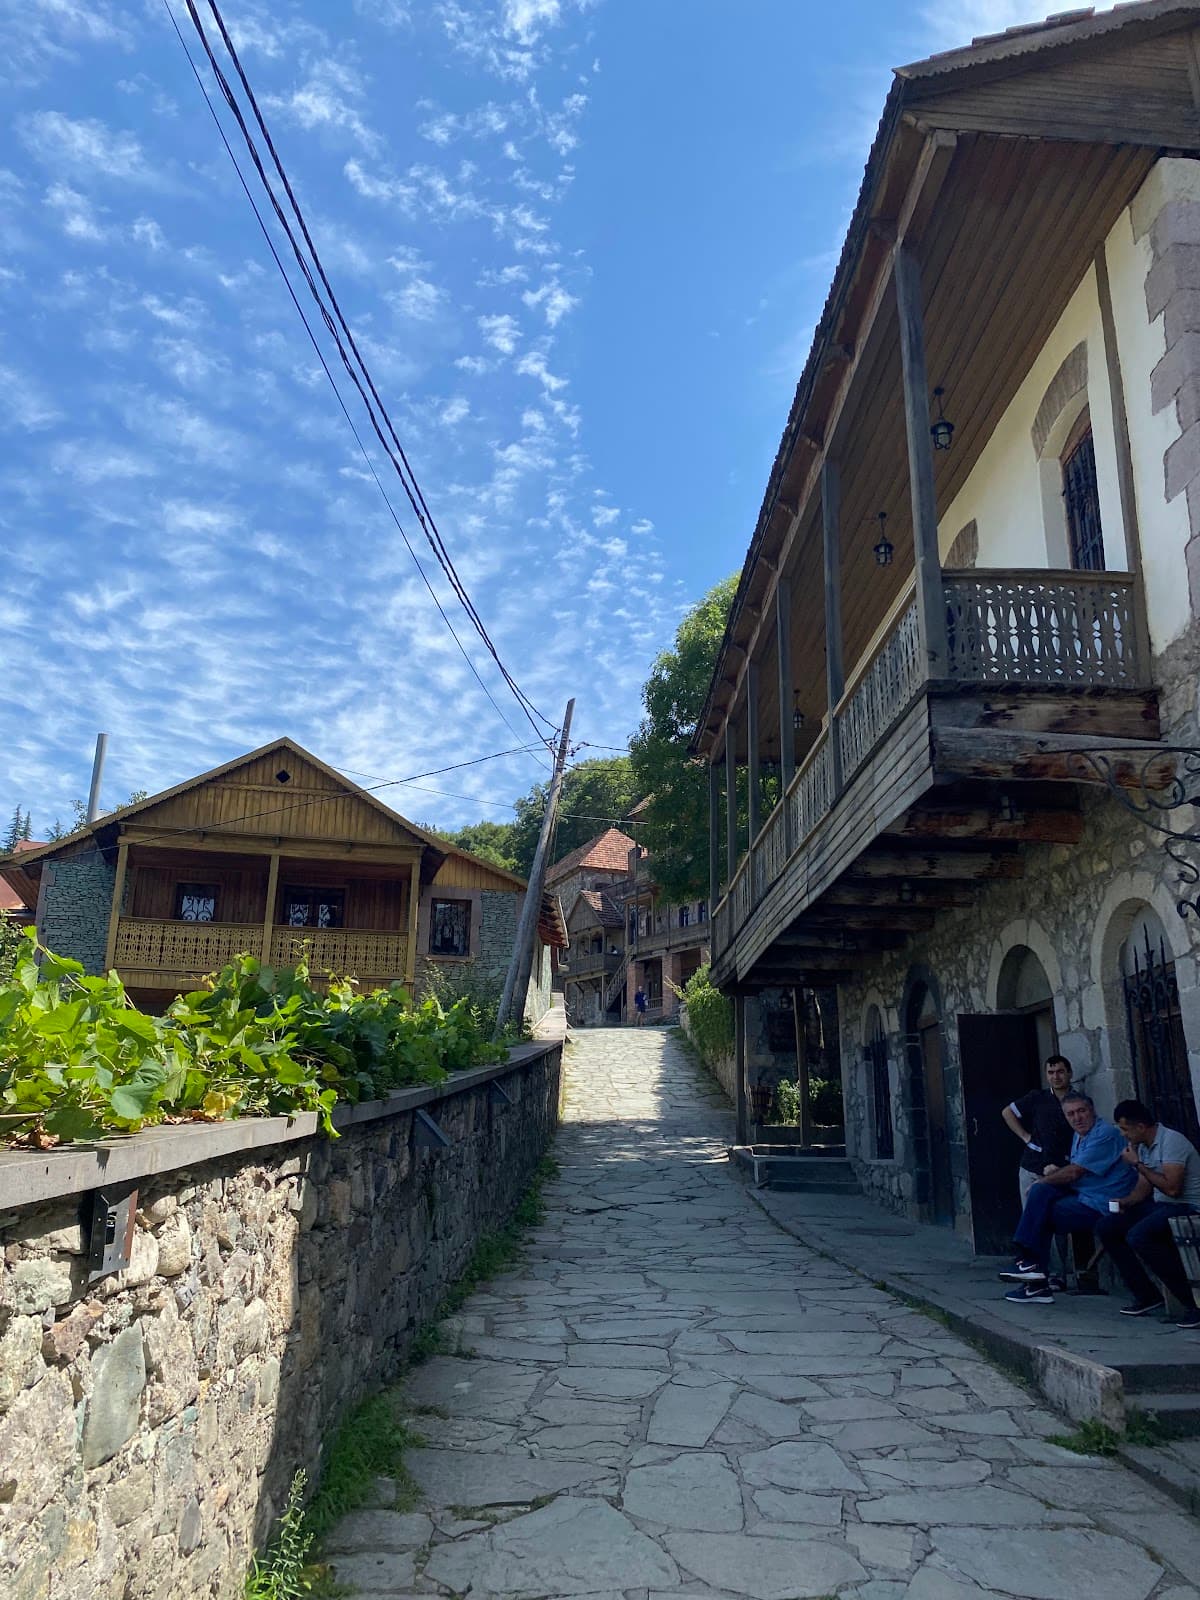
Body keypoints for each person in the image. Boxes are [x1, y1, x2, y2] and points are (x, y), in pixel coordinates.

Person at [1000, 1092, 1138, 1304]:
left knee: (1042, 1203)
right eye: (1071, 1114)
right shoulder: (1079, 1137)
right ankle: (1032, 1271)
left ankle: (1030, 1269)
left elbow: (1075, 1173)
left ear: (1092, 1111)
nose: (1077, 1118)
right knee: (1041, 1196)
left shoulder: (1106, 1134)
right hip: (1085, 1195)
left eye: (1082, 1111)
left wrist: (1044, 1180)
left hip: (1105, 1202)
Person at [1101, 1099, 1200, 1327]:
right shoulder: (1143, 1146)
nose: (1124, 1135)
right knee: (1108, 1227)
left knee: (1140, 1236)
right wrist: (1125, 1202)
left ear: (1140, 1127)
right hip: (1162, 1205)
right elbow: (1143, 1187)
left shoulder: (1172, 1142)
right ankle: (1146, 1295)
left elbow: (1173, 1189)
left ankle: (1192, 1302)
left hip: (1187, 1207)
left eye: (1125, 1129)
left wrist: (1137, 1164)